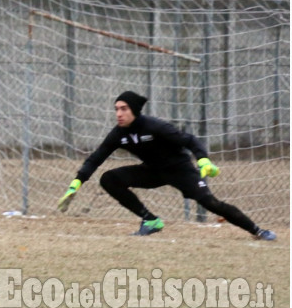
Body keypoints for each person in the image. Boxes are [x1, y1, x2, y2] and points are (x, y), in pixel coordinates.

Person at [57, 91, 276, 241]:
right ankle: (150, 221)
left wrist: (203, 159)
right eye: (116, 109)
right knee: (109, 178)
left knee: (210, 202)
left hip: (180, 170)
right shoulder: (118, 134)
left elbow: (189, 140)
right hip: (153, 171)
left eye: (123, 109)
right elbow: (96, 158)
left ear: (133, 110)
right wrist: (76, 183)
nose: (119, 114)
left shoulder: (155, 126)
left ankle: (258, 231)